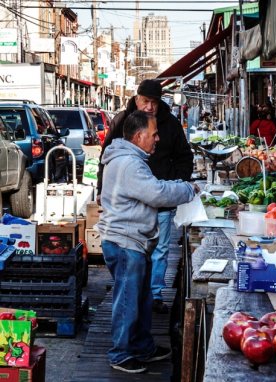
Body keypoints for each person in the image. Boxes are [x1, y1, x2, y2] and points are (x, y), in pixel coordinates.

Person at [97, 110, 197, 373]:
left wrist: (177, 186)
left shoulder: (131, 160)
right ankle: (120, 353)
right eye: (153, 134)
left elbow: (153, 188)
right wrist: (188, 189)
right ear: (139, 136)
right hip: (125, 242)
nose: (157, 138)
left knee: (140, 298)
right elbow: (155, 193)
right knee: (128, 299)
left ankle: (141, 346)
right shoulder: (129, 164)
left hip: (132, 241)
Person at [97, 79, 194, 315]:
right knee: (131, 273)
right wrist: (101, 188)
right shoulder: (123, 122)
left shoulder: (169, 123)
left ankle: (155, 294)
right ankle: (125, 346)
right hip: (130, 211)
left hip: (159, 198)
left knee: (158, 250)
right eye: (146, 101)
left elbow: (184, 157)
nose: (150, 107)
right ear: (137, 98)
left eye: (154, 102)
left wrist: (175, 181)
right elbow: (105, 156)